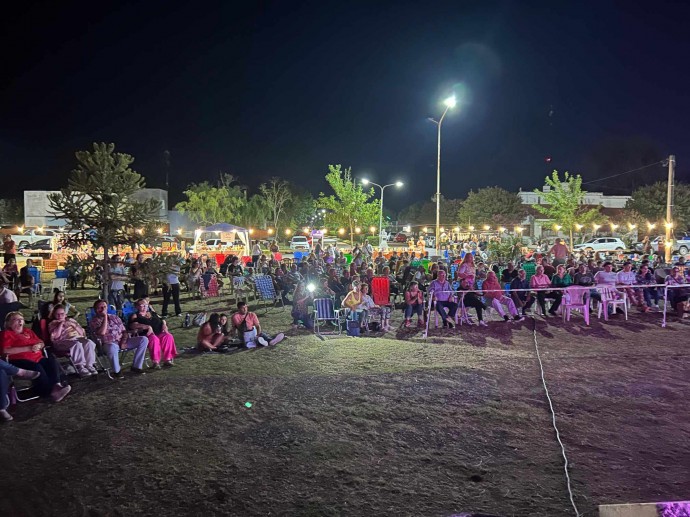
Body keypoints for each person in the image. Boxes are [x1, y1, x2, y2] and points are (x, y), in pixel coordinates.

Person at [0, 312, 71, 402]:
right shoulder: (6, 334)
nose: (20, 321)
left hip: (37, 357)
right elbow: (5, 351)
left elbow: (41, 342)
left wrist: (39, 345)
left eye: (21, 319)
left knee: (51, 361)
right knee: (36, 367)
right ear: (8, 323)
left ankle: (57, 386)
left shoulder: (28, 331)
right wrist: (28, 348)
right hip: (17, 360)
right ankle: (47, 392)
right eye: (15, 319)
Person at [89, 299, 148, 378]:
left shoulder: (115, 317)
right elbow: (102, 332)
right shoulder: (94, 321)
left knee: (144, 339)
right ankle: (117, 371)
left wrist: (123, 342)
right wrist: (105, 317)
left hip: (122, 341)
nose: (103, 309)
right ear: (96, 310)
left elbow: (124, 331)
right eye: (100, 308)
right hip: (108, 344)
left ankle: (136, 366)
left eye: (104, 307)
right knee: (112, 347)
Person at [48, 304, 98, 377]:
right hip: (62, 341)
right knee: (76, 344)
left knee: (88, 342)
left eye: (62, 314)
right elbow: (55, 337)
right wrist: (61, 324)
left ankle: (89, 365)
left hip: (77, 337)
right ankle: (80, 366)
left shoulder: (71, 320)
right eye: (57, 314)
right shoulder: (53, 323)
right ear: (54, 315)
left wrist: (73, 325)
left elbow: (82, 333)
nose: (60, 316)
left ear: (65, 314)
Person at [128, 298, 177, 369]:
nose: (145, 307)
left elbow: (161, 319)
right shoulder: (135, 315)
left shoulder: (152, 313)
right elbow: (132, 325)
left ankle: (167, 359)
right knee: (154, 339)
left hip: (159, 332)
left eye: (146, 305)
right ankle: (156, 362)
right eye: (142, 305)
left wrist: (164, 324)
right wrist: (147, 326)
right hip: (147, 334)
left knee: (168, 336)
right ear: (137, 307)